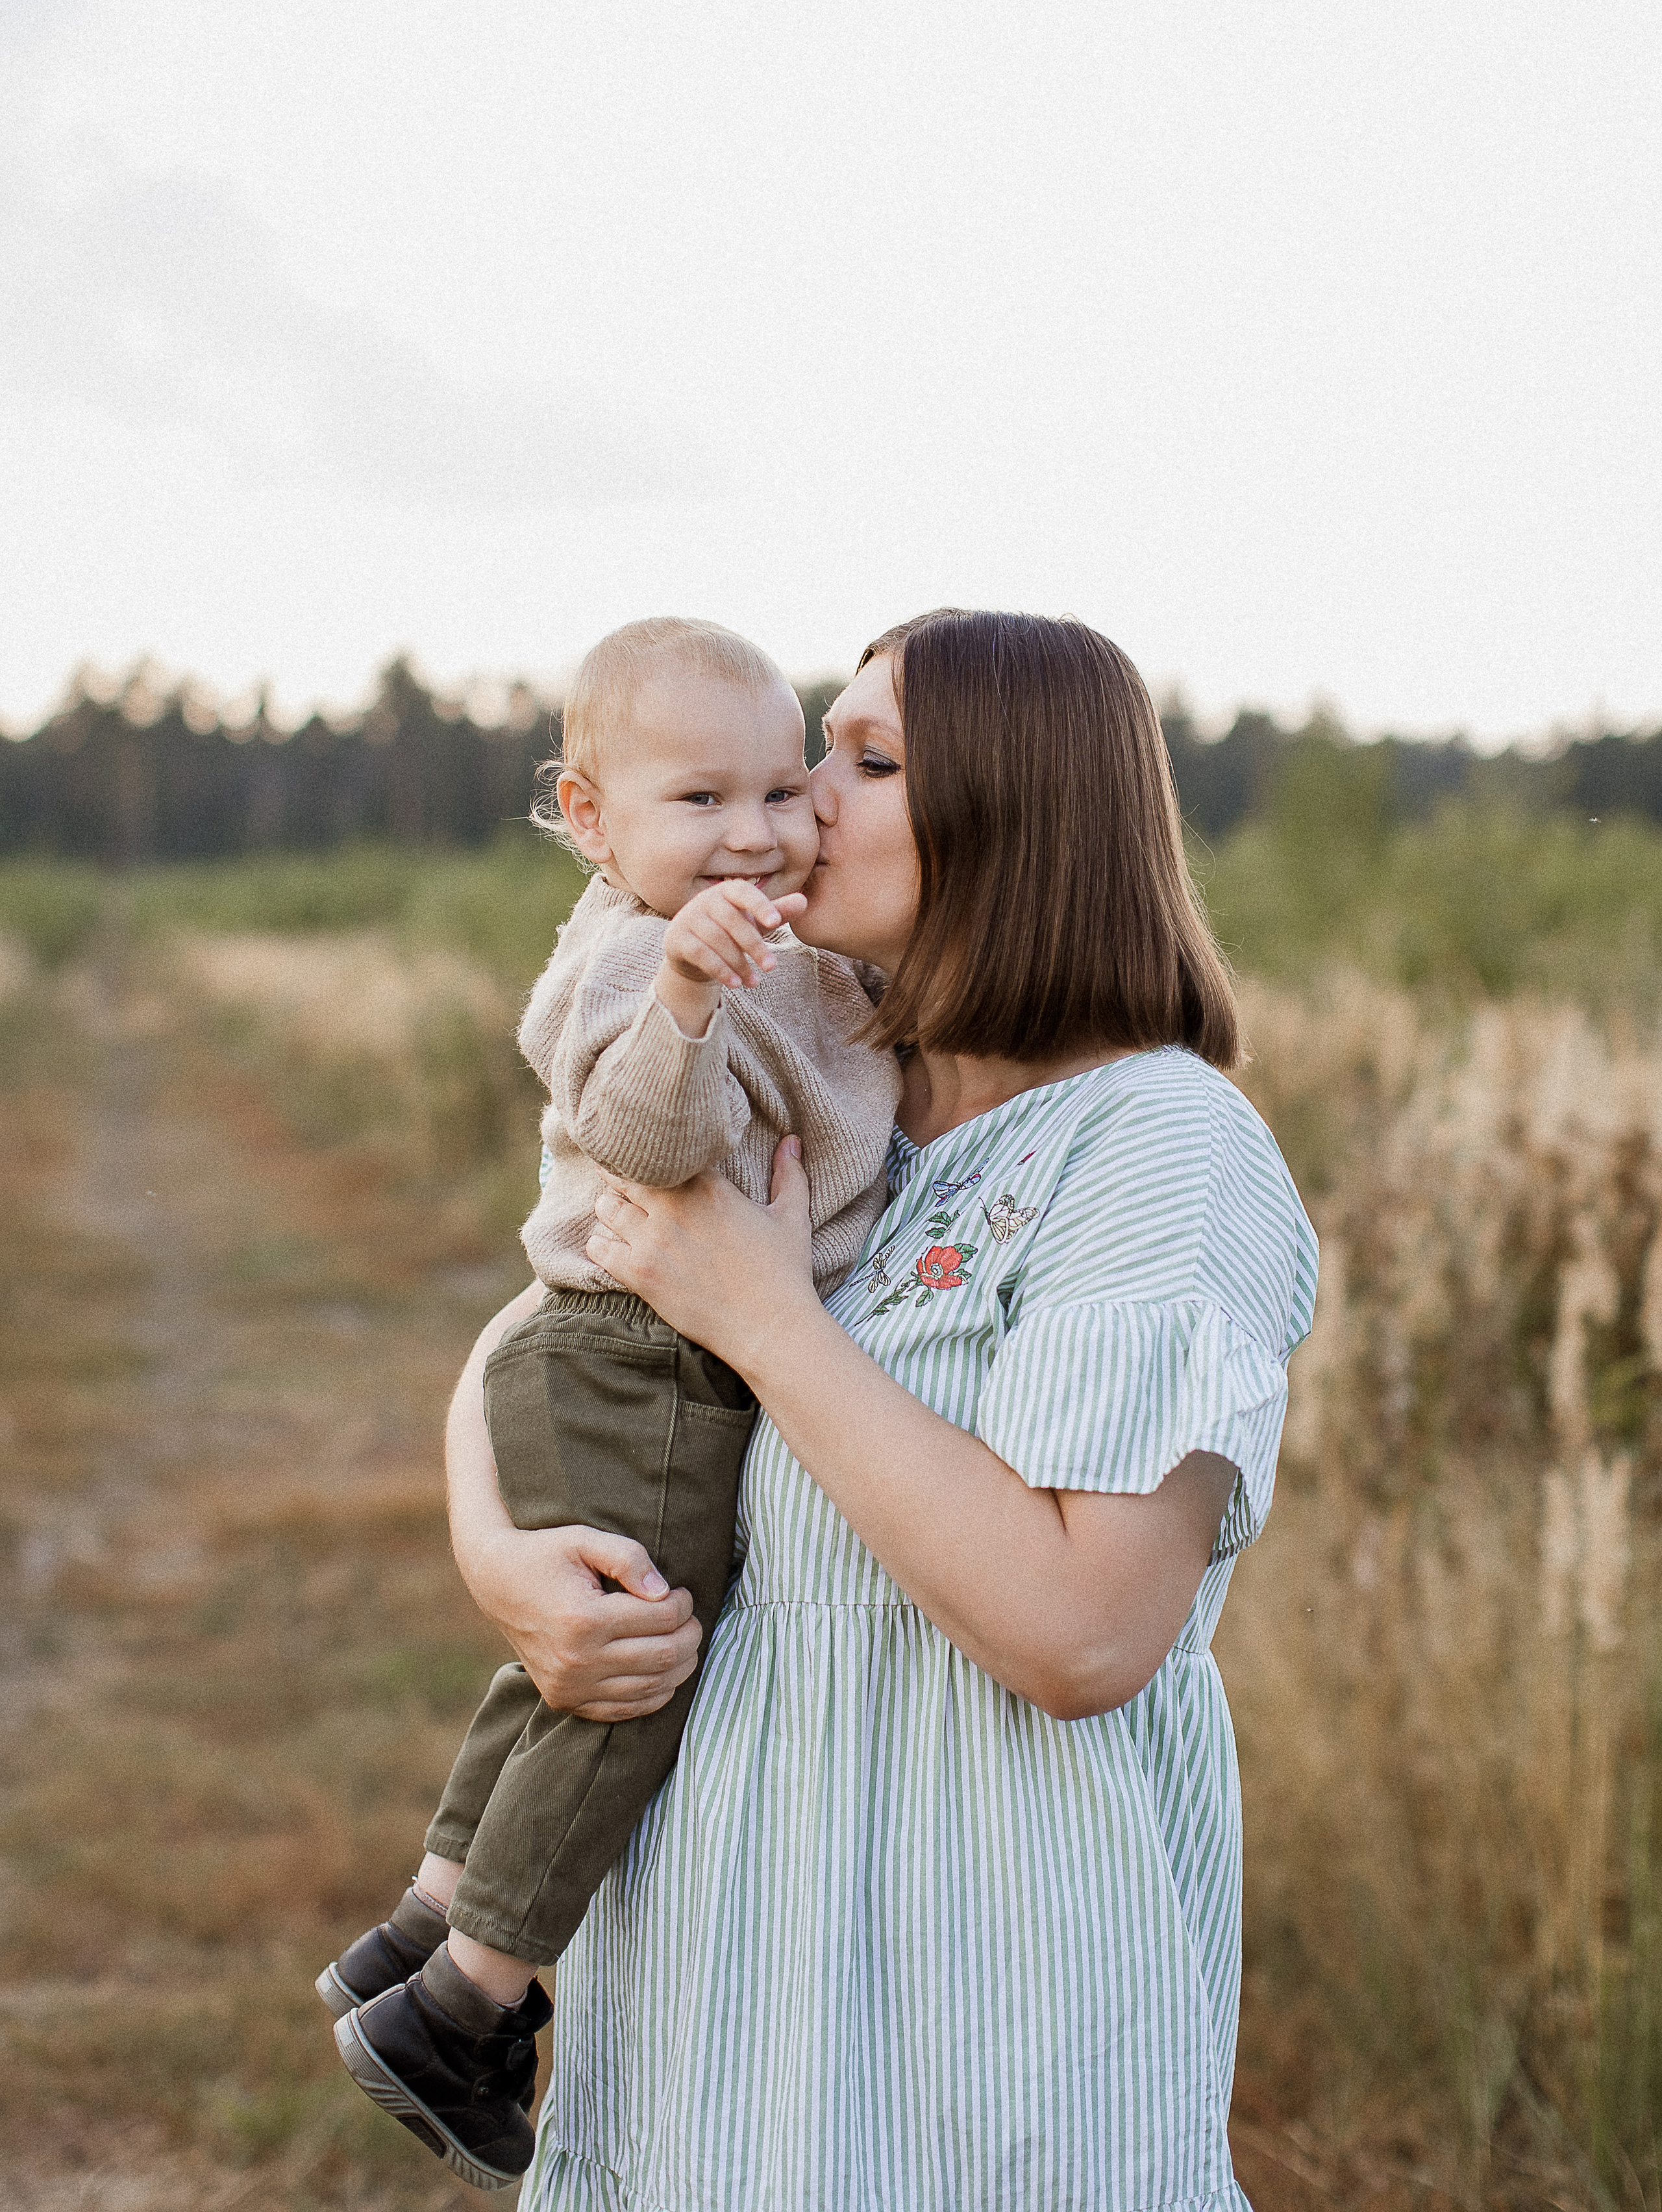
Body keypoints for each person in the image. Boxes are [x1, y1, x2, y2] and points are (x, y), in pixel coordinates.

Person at [447, 609, 1319, 2212]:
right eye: (801, 759)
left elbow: (1080, 1631)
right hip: (722, 2024)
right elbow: (562, 1303)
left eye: (862, 762)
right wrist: (492, 1547)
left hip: (979, 2053)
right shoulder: (850, 1113)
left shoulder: (1158, 1151)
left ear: (1016, 808)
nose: (797, 803)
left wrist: (769, 1324)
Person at [319, 617, 899, 2190]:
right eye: (698, 802)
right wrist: (692, 1001)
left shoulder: (748, 937)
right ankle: (464, 2007)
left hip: (609, 1351)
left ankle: (430, 1913)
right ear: (588, 817)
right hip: (629, 1358)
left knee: (585, 1640)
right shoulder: (642, 958)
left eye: (781, 793)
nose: (757, 835)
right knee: (636, 1664)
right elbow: (645, 1138)